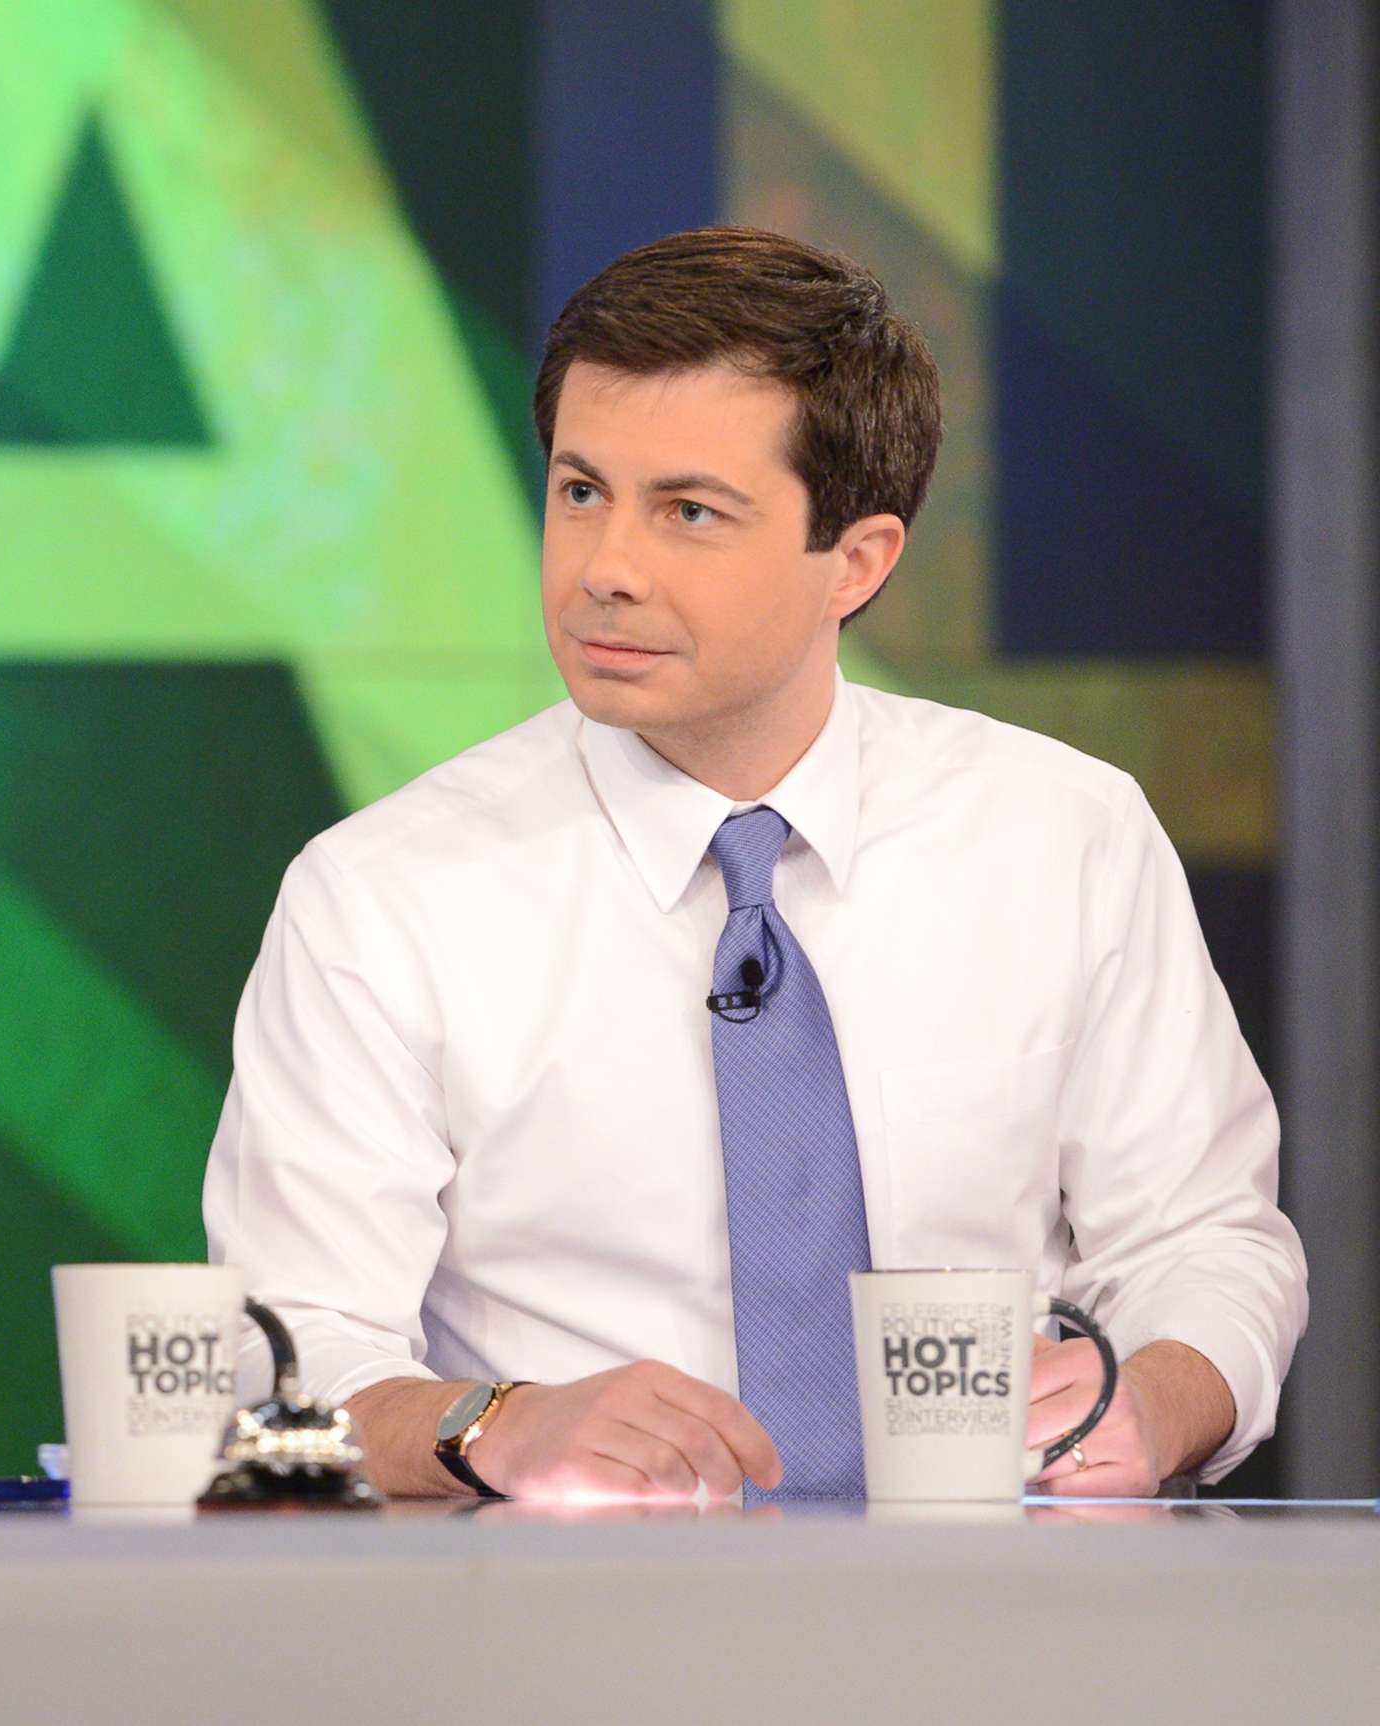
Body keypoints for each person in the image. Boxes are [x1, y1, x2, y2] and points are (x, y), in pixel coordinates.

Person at [203, 227, 1307, 1503]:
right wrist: (491, 1423)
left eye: (689, 512)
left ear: (858, 560)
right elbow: (281, 1353)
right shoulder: (382, 893)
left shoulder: (1065, 835)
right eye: (579, 491)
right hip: (556, 1642)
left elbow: (1206, 1238)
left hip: (1004, 1627)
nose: (605, 569)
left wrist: (1158, 1403)